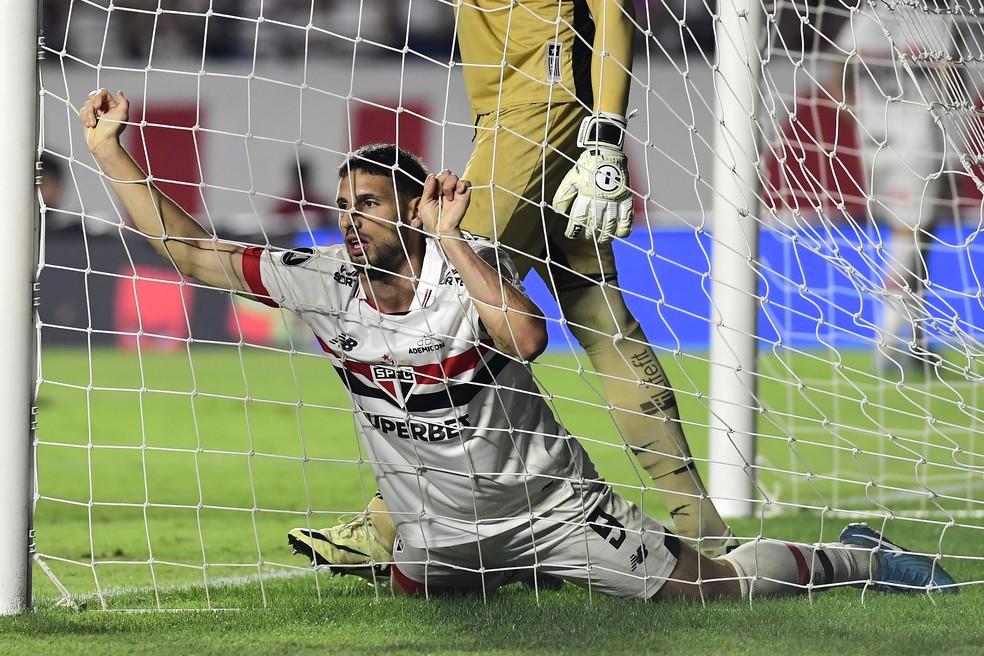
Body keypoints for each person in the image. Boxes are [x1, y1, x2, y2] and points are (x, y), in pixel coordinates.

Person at [78, 90, 958, 600]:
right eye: (343, 206)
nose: (350, 221)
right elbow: (193, 254)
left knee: (708, 590)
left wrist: (453, 240)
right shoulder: (321, 279)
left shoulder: (466, 268)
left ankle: (857, 557)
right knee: (420, 594)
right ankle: (480, 566)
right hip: (434, 535)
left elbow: (527, 337)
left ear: (415, 209)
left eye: (369, 205)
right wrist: (112, 153)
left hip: (553, 511)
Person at [304, 0, 738, 581]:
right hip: (523, 115)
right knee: (603, 322)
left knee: (445, 290)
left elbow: (613, 11)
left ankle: (390, 522)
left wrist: (607, 132)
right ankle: (707, 530)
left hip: (537, 108)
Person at [829, 3, 952, 374]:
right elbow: (951, 82)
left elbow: (837, 71)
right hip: (917, 145)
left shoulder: (867, 15)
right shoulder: (934, 20)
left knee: (917, 241)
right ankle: (886, 344)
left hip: (874, 141)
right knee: (909, 238)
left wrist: (857, 110)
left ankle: (916, 343)